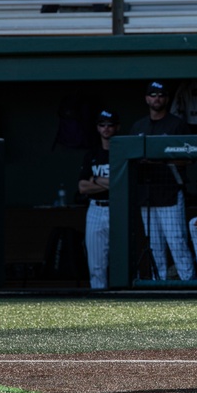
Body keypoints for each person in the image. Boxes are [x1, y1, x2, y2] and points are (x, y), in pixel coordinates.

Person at [131, 80, 195, 281]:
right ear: (146, 99)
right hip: (146, 195)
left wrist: (160, 158)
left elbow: (189, 157)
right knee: (154, 244)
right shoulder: (138, 126)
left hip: (170, 193)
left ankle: (188, 283)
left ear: (166, 99)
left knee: (176, 240)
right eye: (152, 95)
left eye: (160, 95)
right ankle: (157, 285)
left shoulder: (177, 124)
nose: (156, 99)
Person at [77, 108, 116, 289]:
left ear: (117, 127)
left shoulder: (121, 152)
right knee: (96, 260)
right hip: (95, 209)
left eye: (110, 125)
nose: (106, 129)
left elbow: (122, 184)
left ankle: (121, 295)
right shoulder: (91, 154)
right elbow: (82, 187)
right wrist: (109, 183)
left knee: (118, 258)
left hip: (116, 208)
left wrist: (96, 180)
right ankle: (98, 295)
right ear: (97, 128)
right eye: (102, 125)